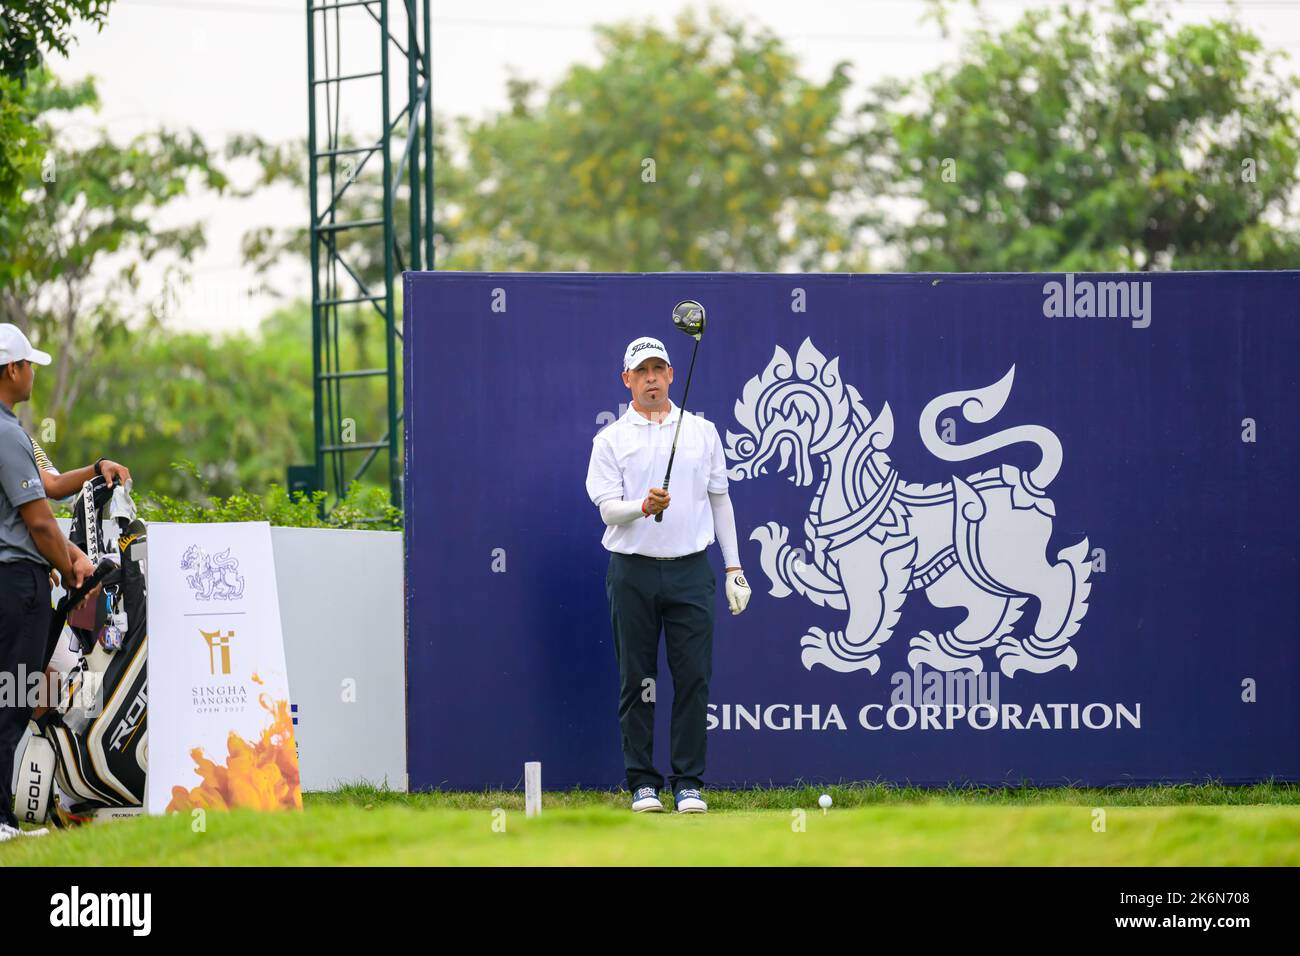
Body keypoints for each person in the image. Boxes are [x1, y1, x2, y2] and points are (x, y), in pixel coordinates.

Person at [586, 335, 751, 814]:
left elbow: (720, 499)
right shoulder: (611, 439)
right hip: (632, 572)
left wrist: (734, 566)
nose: (652, 378)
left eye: (659, 369)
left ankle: (688, 783)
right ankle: (641, 782)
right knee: (637, 679)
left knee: (693, 677)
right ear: (627, 380)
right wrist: (642, 506)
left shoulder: (702, 431)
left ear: (672, 375)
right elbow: (606, 511)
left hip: (690, 571)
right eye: (642, 372)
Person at [0, 324, 95, 842]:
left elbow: (48, 493)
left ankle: (14, 813)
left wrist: (61, 556)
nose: (34, 372)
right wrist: (68, 562)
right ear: (12, 369)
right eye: (29, 364)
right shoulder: (8, 434)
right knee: (13, 697)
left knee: (15, 694)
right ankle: (5, 817)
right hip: (17, 584)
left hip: (21, 578)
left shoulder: (15, 432)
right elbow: (38, 519)